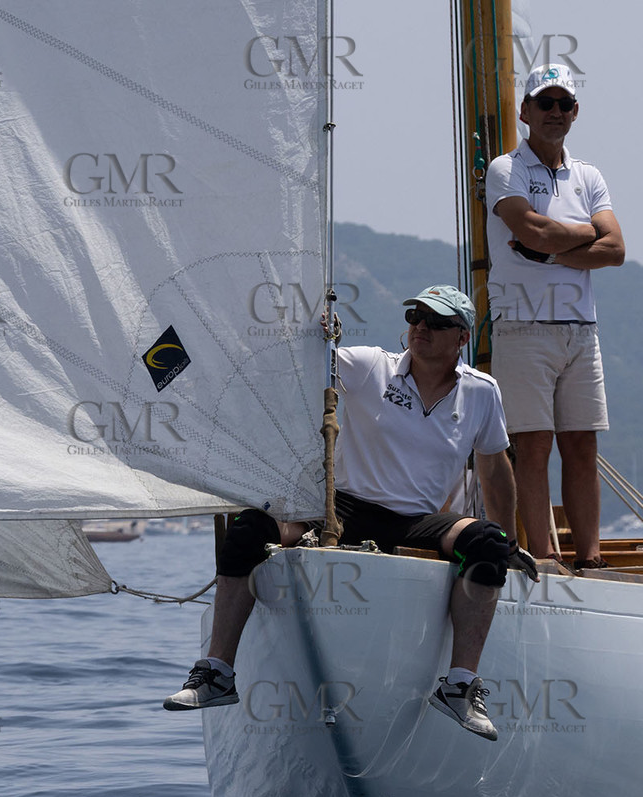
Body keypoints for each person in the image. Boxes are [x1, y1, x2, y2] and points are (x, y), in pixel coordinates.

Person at [163, 285, 535, 741]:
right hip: (339, 505)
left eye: (435, 322)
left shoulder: (481, 392)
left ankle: (459, 686)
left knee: (488, 546)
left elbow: (494, 470)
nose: (420, 327)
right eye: (415, 316)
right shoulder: (370, 366)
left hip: (415, 518)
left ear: (461, 338)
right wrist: (314, 335)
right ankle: (217, 671)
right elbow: (302, 362)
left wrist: (512, 544)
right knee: (250, 528)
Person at [484, 62, 624, 571]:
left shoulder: (589, 174)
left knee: (583, 446)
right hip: (522, 327)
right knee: (534, 446)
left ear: (575, 112)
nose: (555, 112)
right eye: (545, 103)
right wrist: (583, 232)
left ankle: (590, 560)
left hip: (580, 331)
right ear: (525, 111)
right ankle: (543, 555)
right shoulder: (505, 168)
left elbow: (616, 250)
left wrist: (549, 247)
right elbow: (531, 231)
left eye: (564, 104)